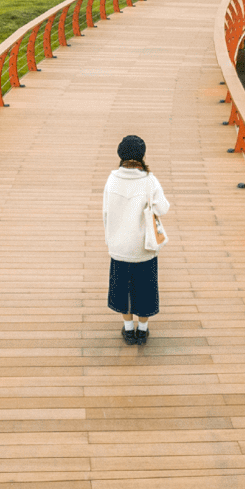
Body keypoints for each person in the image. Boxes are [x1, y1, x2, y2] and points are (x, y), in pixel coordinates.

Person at [103, 134, 170, 346]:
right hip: (144, 247)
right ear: (142, 156)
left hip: (120, 247)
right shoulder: (149, 180)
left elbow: (106, 212)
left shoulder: (112, 180)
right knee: (145, 289)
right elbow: (163, 208)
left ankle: (128, 329)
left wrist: (110, 239)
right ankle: (143, 330)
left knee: (122, 289)